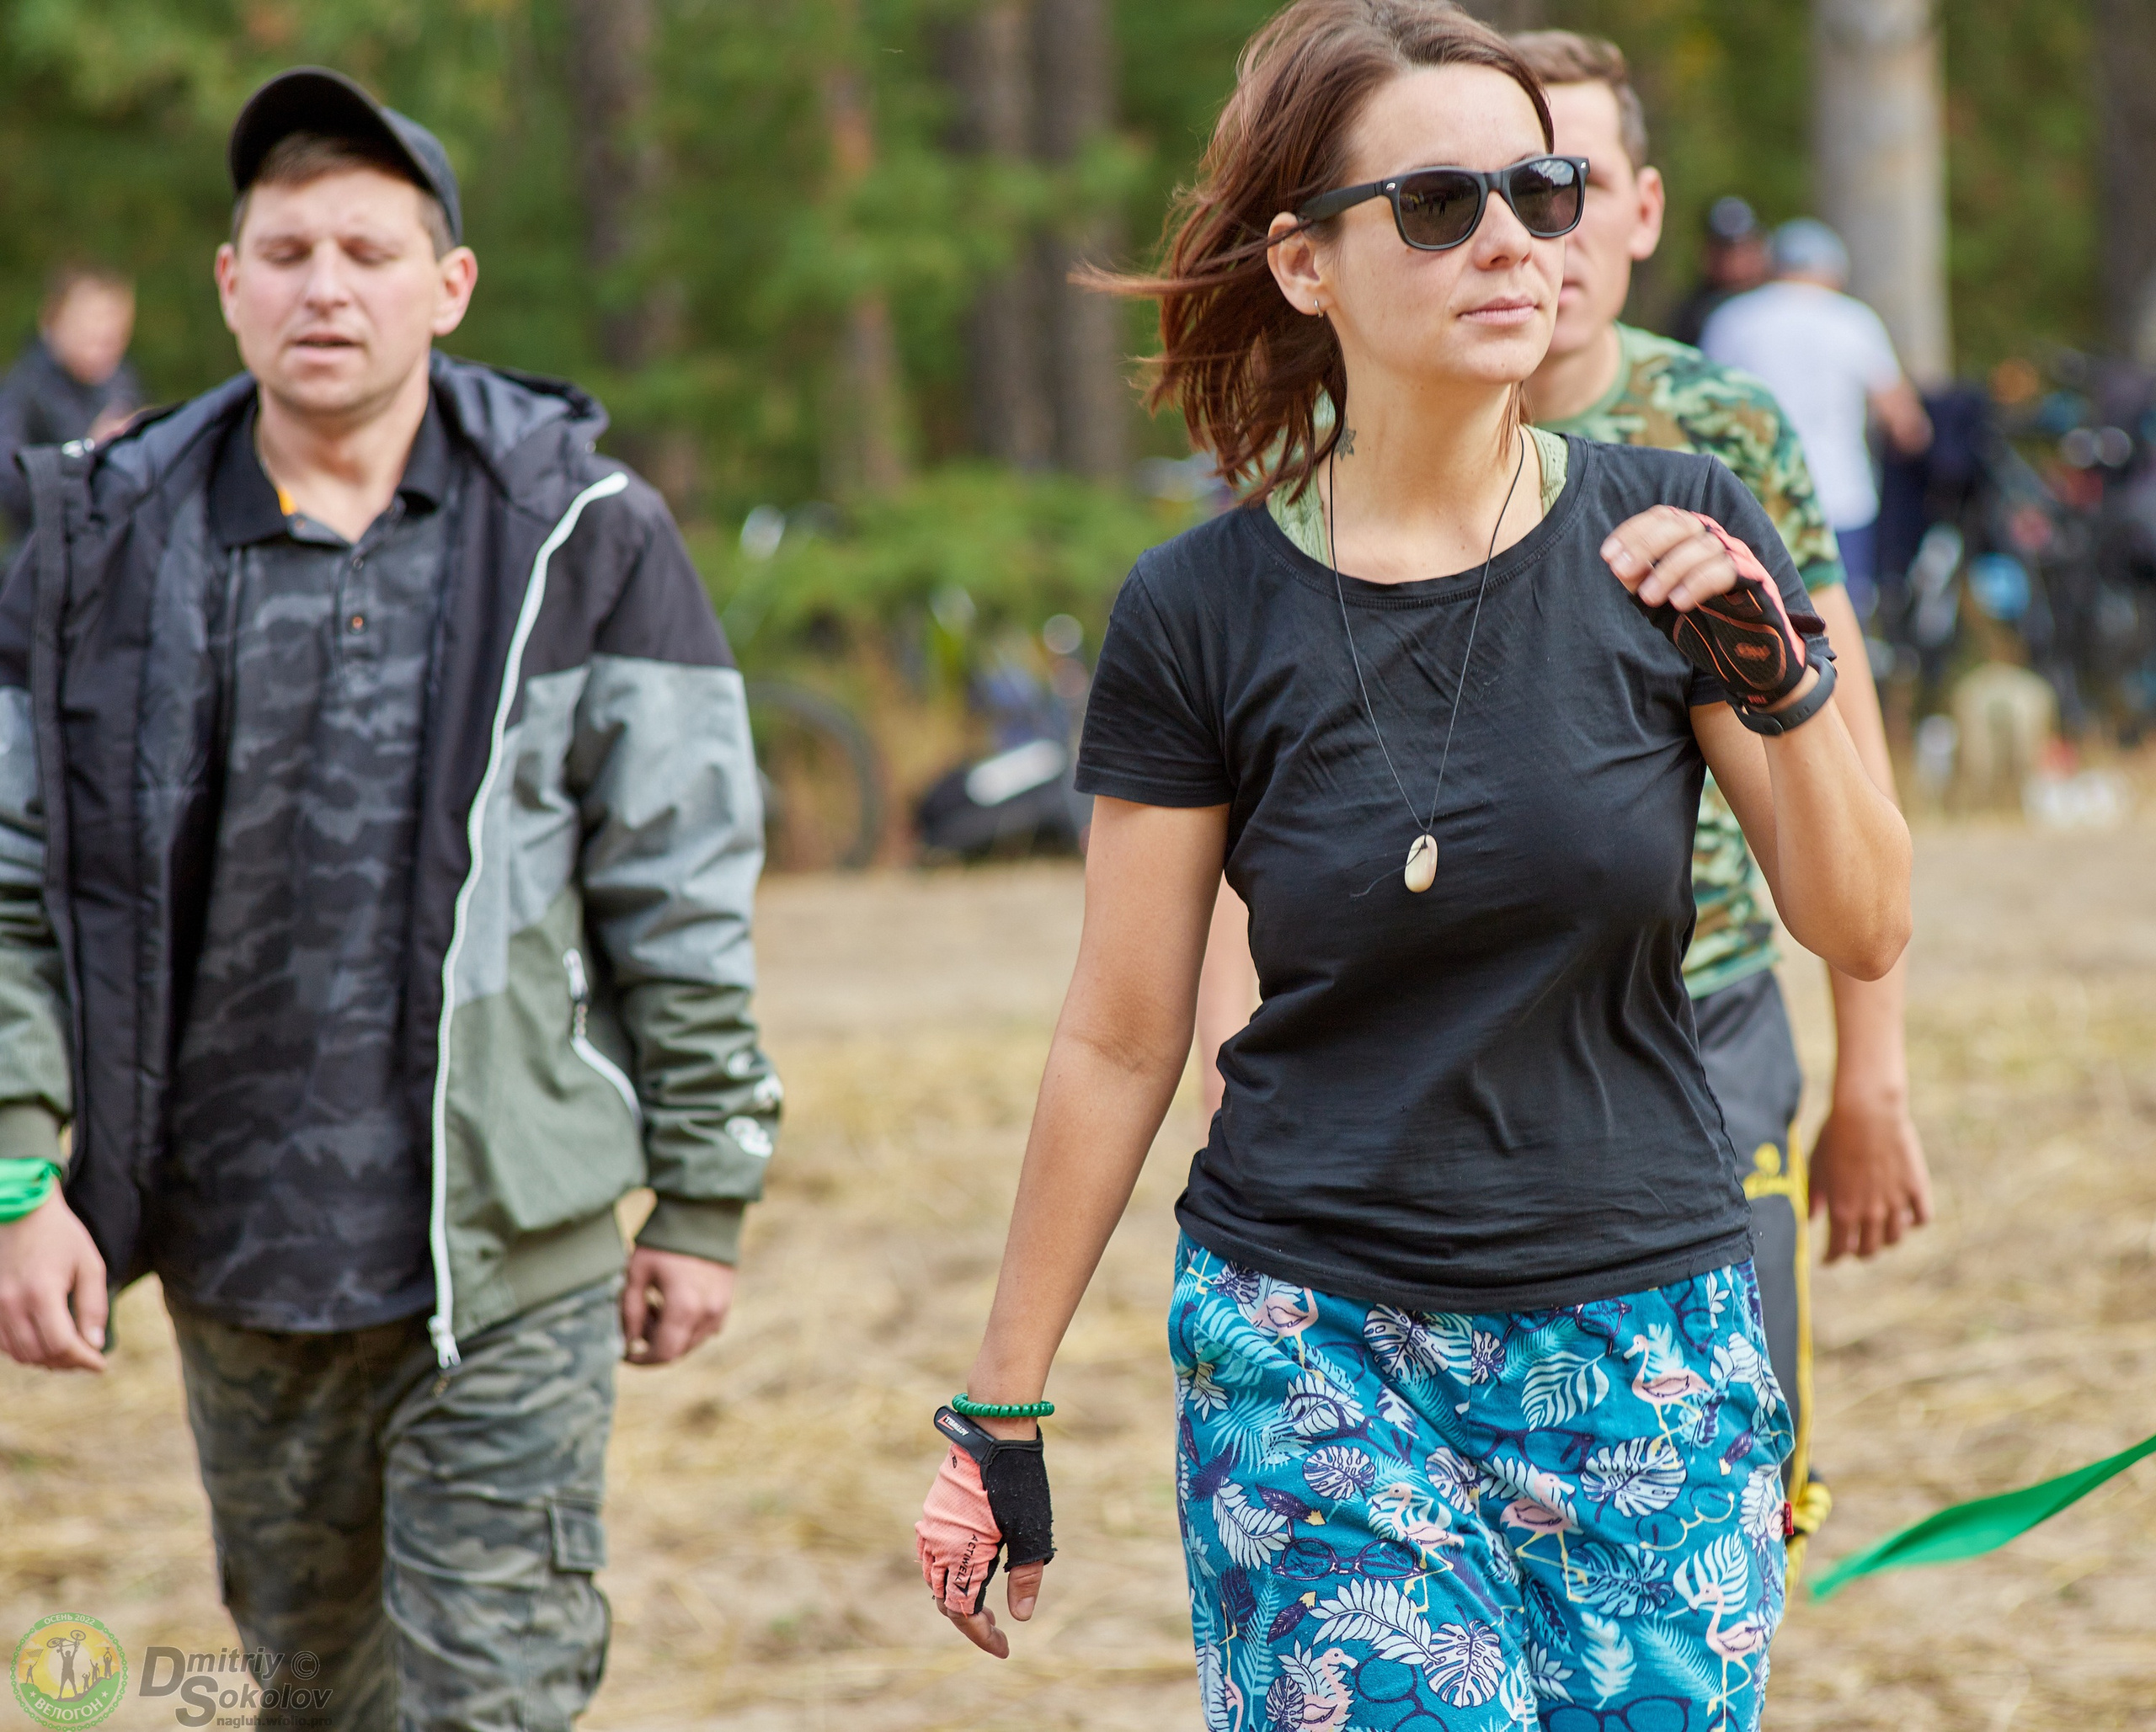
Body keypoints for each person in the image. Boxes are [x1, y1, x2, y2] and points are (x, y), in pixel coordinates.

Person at [914, 6, 1910, 1725]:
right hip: (1316, 1344)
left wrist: (1786, 679)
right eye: (1439, 205)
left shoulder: (1676, 527)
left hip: (1645, 1338)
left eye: (1541, 192)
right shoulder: (1198, 610)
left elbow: (1860, 917)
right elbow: (1119, 1031)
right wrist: (998, 1402)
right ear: (1303, 263)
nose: (1514, 241)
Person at [0, 67, 779, 1730]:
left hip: (511, 1257)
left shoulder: (586, 532)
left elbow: (681, 883)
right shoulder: (98, 544)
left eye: (369, 250)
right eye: (287, 253)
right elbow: (11, 886)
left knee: (494, 1697)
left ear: (451, 284)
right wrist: (17, 1167)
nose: (326, 289)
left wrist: (703, 1192)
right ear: (229, 283)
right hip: (237, 1260)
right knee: (310, 1694)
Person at [1514, 28, 1933, 1567]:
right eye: (1498, 189)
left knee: (1733, 1473)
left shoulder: (1722, 426)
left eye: (1575, 187)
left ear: (1643, 210)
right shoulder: (1373, 438)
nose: (1539, 235)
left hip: (1715, 1013)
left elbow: (1842, 752)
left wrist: (1871, 1075)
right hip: (1486, 1036)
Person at [1701, 219, 1933, 619]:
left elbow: (1702, 411)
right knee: (1839, 629)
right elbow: (1907, 426)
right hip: (1840, 501)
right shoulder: (1855, 320)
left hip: (1752, 503)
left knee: (1755, 629)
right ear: (1833, 270)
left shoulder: (1732, 319)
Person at [0, 264, 141, 538]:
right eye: (92, 327)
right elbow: (11, 487)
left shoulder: (123, 381)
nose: (104, 340)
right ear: (53, 321)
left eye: (115, 335)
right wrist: (86, 453)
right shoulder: (21, 390)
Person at [1666, 196, 1769, 349]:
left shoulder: (1776, 303)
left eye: (1742, 249)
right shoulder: (1694, 314)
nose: (1734, 261)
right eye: (1723, 250)